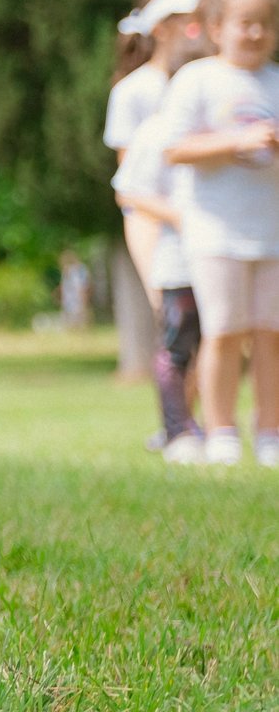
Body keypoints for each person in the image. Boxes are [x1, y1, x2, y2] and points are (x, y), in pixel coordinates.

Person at [159, 0, 279, 469]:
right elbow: (174, 149)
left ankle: (271, 432)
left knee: (271, 333)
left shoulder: (275, 81)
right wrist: (237, 142)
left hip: (271, 233)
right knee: (225, 331)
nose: (254, 33)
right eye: (243, 22)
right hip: (216, 233)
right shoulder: (198, 80)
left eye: (265, 23)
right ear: (215, 29)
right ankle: (222, 431)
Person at [113, 41, 210, 462]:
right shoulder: (158, 129)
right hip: (180, 261)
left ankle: (210, 425)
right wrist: (179, 217)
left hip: (227, 255)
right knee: (178, 342)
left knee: (217, 342)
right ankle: (177, 429)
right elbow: (128, 191)